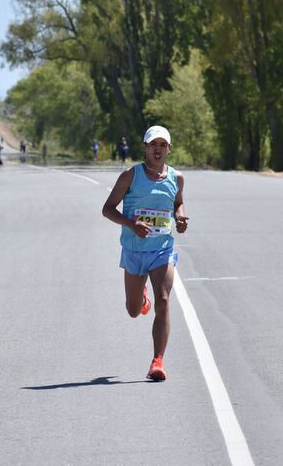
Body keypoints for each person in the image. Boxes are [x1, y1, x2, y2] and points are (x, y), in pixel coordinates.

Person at [102, 126, 189, 381]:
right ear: (145, 147)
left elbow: (178, 202)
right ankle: (140, 296)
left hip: (162, 249)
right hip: (134, 250)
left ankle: (157, 361)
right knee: (133, 309)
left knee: (163, 300)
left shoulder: (177, 178)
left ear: (169, 149)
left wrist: (180, 218)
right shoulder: (131, 175)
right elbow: (107, 209)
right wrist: (131, 224)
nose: (158, 149)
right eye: (153, 144)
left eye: (163, 145)